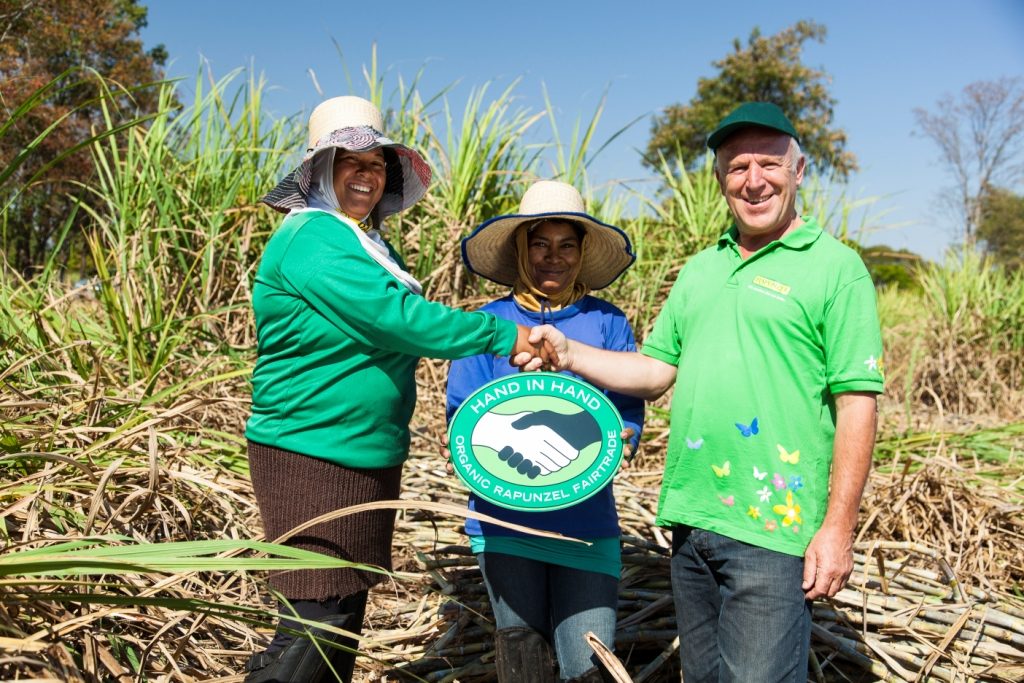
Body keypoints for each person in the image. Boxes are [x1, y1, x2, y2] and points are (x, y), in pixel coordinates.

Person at [526, 103, 884, 682]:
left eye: (769, 164)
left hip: (774, 532)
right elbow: (655, 371)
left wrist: (838, 528)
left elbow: (857, 405)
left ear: (798, 171)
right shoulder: (700, 270)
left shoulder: (836, 269)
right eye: (737, 167)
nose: (754, 180)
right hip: (692, 521)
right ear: (720, 180)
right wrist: (568, 353)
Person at [243, 95, 546, 683]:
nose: (367, 174)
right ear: (319, 170)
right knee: (316, 621)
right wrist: (501, 333)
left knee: (343, 615)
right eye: (350, 161)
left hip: (362, 451)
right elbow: (397, 319)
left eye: (377, 164)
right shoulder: (311, 235)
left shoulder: (368, 244)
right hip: (311, 450)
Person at [446, 180, 643, 683]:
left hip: (587, 524)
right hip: (504, 524)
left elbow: (627, 407)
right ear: (520, 249)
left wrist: (622, 435)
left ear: (582, 253)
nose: (553, 257)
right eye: (539, 244)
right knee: (523, 660)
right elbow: (462, 416)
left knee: (590, 667)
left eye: (566, 245)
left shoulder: (607, 322)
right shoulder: (489, 323)